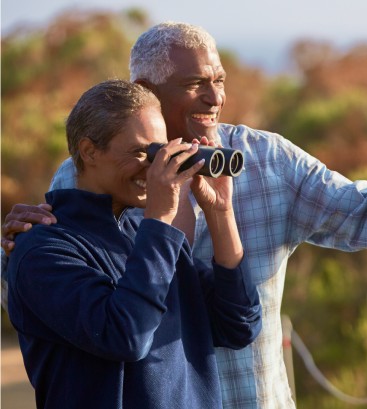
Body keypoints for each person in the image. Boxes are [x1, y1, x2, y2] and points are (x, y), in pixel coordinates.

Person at [2, 22, 367, 409]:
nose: (215, 98)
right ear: (143, 90)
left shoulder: (265, 159)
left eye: (219, 81)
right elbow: (54, 299)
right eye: (194, 85)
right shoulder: (93, 179)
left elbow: (358, 213)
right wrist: (13, 246)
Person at [6, 79, 262, 409]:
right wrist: (159, 219)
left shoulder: (147, 236)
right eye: (142, 152)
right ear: (89, 151)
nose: (153, 165)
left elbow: (239, 325)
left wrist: (220, 212)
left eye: (159, 151)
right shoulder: (43, 248)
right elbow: (125, 336)